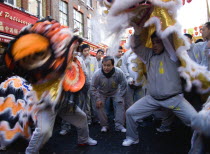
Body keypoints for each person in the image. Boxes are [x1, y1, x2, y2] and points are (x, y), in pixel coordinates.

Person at [122, 26, 197, 146]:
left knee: (196, 122)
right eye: (153, 42)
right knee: (130, 113)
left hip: (174, 99)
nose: (154, 45)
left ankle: (199, 147)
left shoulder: (171, 54)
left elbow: (168, 37)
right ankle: (132, 138)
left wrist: (158, 20)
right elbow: (135, 46)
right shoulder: (149, 55)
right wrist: (137, 27)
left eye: (158, 42)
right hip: (152, 99)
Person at [90, 56, 127, 133]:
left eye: (108, 65)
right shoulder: (97, 74)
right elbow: (92, 87)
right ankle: (104, 125)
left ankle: (119, 125)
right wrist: (98, 98)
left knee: (120, 104)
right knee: (99, 105)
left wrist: (121, 96)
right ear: (102, 65)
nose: (106, 68)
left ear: (113, 65)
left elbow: (124, 84)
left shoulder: (119, 72)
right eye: (104, 65)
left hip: (115, 92)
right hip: (102, 92)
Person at [80, 44, 99, 124]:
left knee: (94, 101)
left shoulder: (94, 59)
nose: (87, 52)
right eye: (85, 51)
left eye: (88, 50)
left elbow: (96, 70)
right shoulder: (80, 60)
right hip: (84, 84)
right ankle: (88, 119)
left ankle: (96, 118)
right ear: (81, 51)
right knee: (86, 102)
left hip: (93, 84)